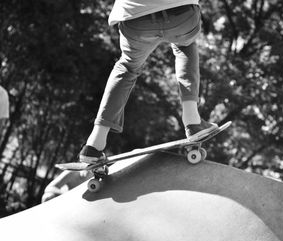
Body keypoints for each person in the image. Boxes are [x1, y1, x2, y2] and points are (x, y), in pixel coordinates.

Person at [79, 1, 218, 163]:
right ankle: (193, 121)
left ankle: (94, 144)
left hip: (135, 17)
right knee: (186, 46)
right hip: (181, 14)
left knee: (127, 67)